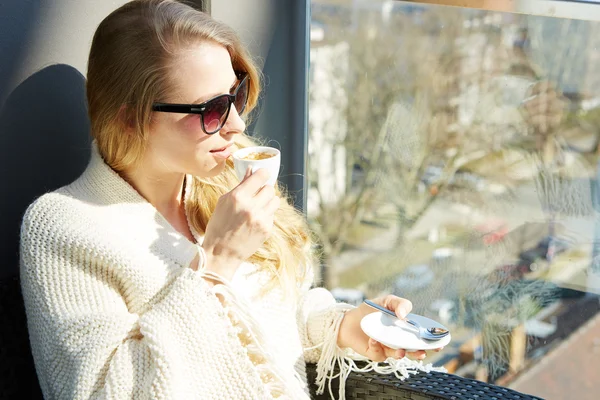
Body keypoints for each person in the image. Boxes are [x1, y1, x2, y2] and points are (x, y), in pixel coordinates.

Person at [19, 1, 438, 399]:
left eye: (235, 96)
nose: (237, 124)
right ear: (132, 118)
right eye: (213, 109)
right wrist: (217, 263)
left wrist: (347, 325)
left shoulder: (218, 184)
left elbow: (269, 316)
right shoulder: (63, 227)